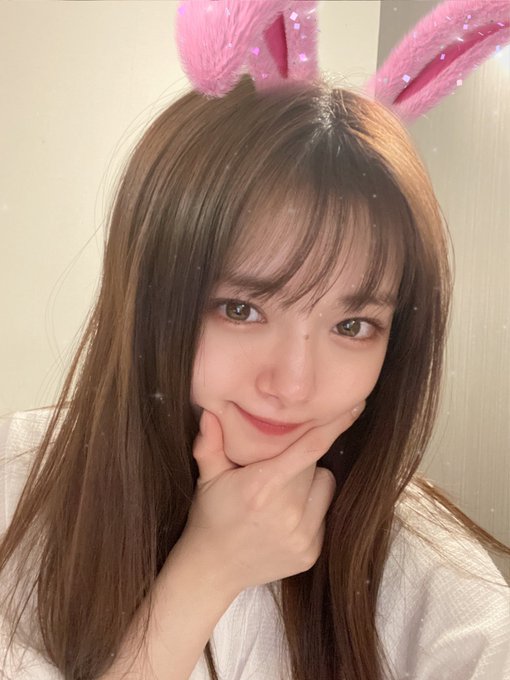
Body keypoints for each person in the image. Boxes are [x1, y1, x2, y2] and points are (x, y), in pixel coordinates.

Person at [1, 11, 510, 680]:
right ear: (152, 297)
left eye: (353, 326)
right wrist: (209, 570)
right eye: (241, 309)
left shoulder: (426, 565)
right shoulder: (20, 483)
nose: (293, 384)